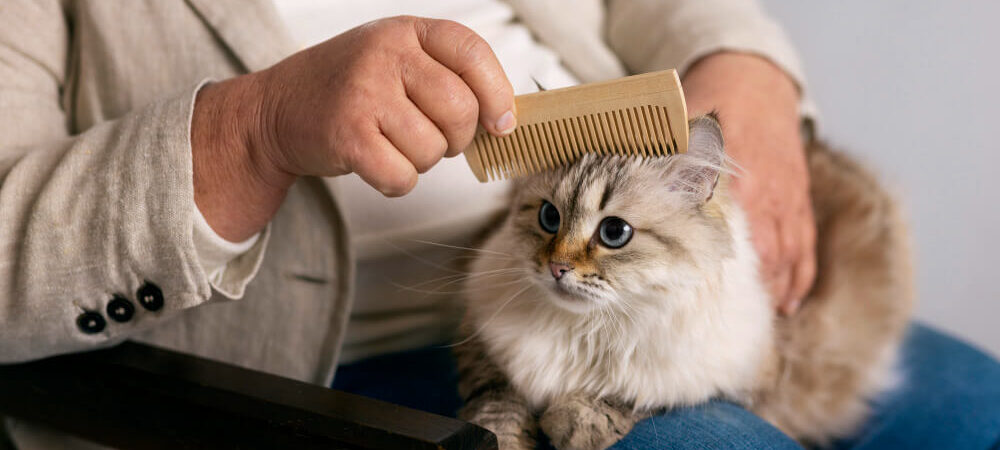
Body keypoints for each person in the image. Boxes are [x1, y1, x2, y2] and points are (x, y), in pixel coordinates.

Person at [0, 1, 996, 448]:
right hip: (343, 372)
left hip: (654, 266)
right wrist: (251, 132)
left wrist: (748, 68)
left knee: (979, 409)